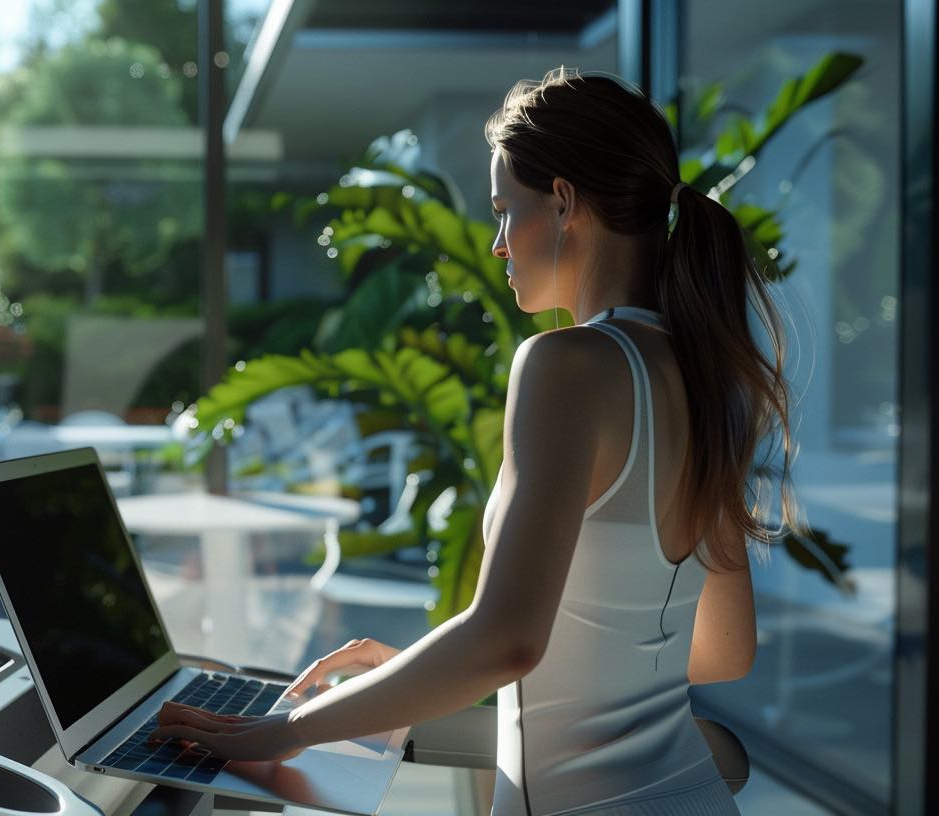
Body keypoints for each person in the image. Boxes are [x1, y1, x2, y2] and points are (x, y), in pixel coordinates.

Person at [151, 66, 807, 815]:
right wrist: (432, 671)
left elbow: (507, 641)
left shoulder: (568, 366)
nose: (498, 243)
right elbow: (721, 649)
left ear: (563, 203)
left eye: (505, 209)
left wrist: (281, 731)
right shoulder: (703, 376)